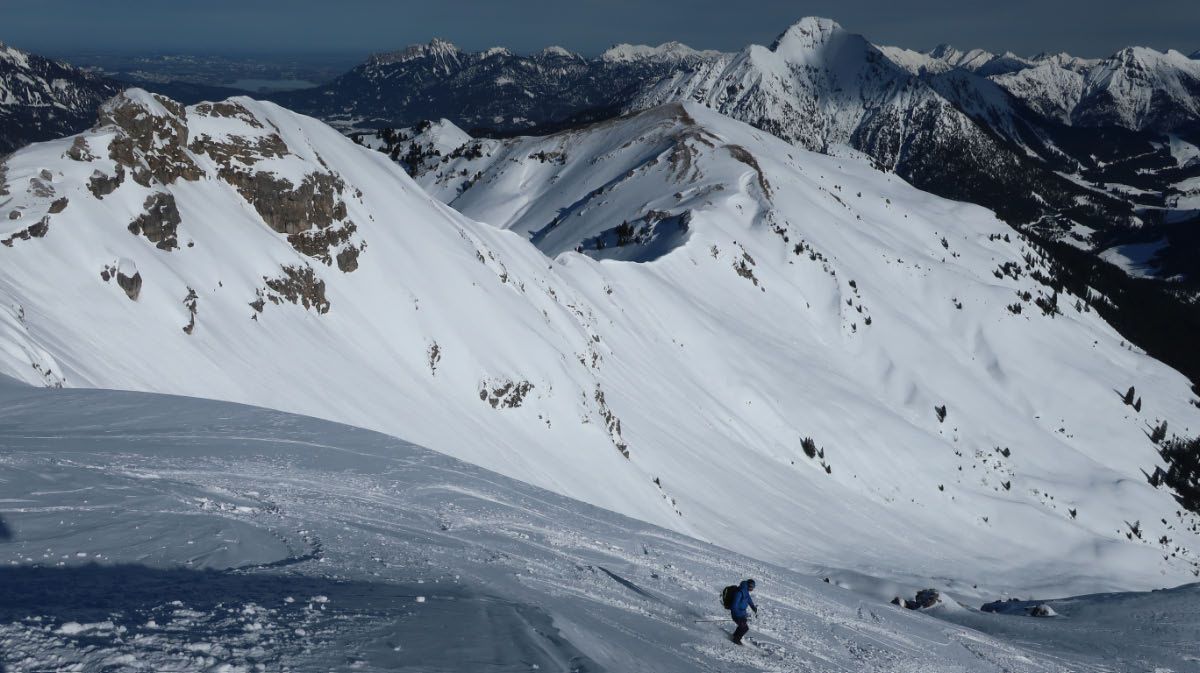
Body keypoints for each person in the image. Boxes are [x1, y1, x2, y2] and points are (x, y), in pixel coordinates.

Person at [729, 578, 758, 644]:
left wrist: (753, 607)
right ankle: (736, 639)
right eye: (752, 587)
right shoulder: (740, 592)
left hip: (742, 614)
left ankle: (735, 636)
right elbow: (734, 605)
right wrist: (736, 615)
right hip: (737, 614)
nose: (753, 589)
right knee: (745, 628)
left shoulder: (746, 592)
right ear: (749, 586)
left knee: (742, 626)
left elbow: (749, 600)